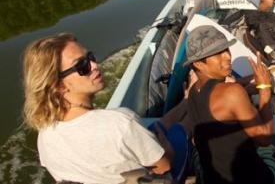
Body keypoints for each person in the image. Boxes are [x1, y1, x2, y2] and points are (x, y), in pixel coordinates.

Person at [22, 33, 173, 184]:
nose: (94, 65)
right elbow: (164, 167)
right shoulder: (119, 123)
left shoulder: (44, 137)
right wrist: (165, 144)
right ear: (58, 86)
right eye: (82, 66)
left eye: (90, 57)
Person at [184, 25, 275, 184]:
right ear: (199, 64)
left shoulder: (193, 91)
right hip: (251, 179)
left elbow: (219, 104)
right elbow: (264, 138)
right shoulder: (232, 93)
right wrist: (264, 89)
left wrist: (245, 90)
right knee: (271, 152)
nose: (228, 57)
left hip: (212, 178)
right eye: (217, 54)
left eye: (226, 50)